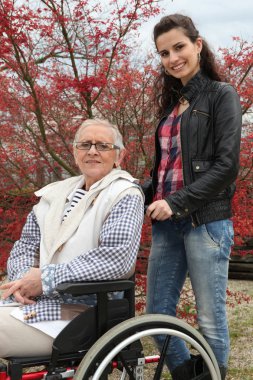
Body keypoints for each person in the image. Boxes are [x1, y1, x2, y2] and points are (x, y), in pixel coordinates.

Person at [143, 14, 242, 380]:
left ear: (198, 45)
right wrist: (133, 190)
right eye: (164, 53)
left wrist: (177, 202)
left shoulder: (221, 95)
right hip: (168, 225)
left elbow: (226, 166)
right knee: (156, 314)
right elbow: (166, 172)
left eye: (179, 47)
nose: (172, 58)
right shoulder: (173, 106)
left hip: (206, 222)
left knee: (209, 318)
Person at [0, 118, 144, 357]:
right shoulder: (54, 194)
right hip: (34, 303)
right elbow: (25, 246)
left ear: (119, 155)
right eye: (85, 144)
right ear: (75, 152)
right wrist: (22, 282)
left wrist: (45, 279)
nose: (93, 151)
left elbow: (115, 260)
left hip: (84, 312)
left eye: (103, 146)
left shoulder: (124, 194)